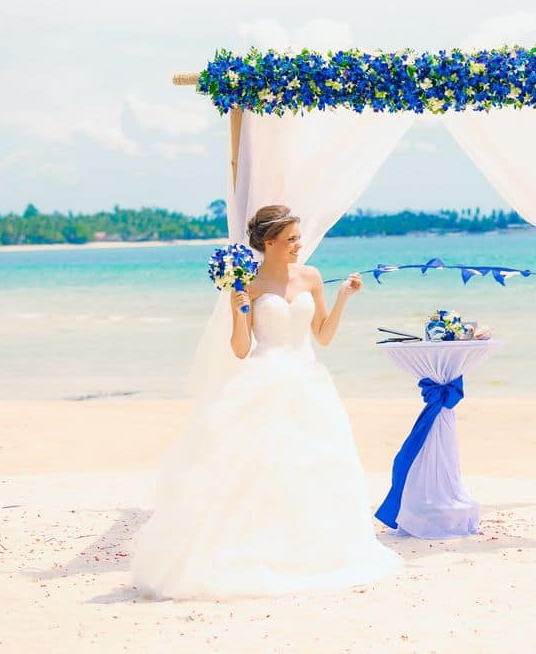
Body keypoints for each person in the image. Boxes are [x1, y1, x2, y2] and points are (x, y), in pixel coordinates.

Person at [131, 204, 401, 598]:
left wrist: (344, 296)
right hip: (263, 380)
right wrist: (240, 309)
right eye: (291, 239)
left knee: (313, 467)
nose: (298, 245)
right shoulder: (249, 285)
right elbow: (241, 349)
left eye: (298, 238)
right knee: (259, 469)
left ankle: (311, 550)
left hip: (308, 381)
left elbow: (323, 335)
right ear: (269, 242)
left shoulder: (311, 277)